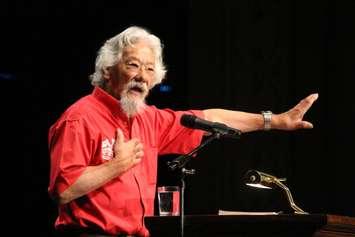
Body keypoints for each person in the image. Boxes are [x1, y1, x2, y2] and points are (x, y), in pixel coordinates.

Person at [48, 26, 318, 237]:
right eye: (133, 65)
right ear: (108, 70)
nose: (142, 75)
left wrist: (274, 121)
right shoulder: (80, 117)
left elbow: (210, 118)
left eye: (150, 69)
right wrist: (117, 165)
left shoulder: (148, 119)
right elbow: (63, 189)